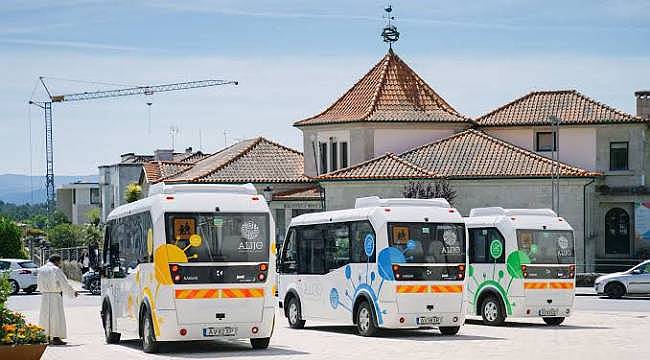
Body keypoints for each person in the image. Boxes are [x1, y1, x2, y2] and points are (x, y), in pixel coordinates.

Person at [37, 254, 79, 346]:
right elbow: (64, 283)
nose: (60, 264)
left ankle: (46, 336)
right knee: (56, 317)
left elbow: (39, 284)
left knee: (45, 317)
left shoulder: (41, 269)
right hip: (55, 296)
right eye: (59, 262)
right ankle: (56, 337)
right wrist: (73, 292)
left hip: (45, 296)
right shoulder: (56, 270)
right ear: (56, 261)